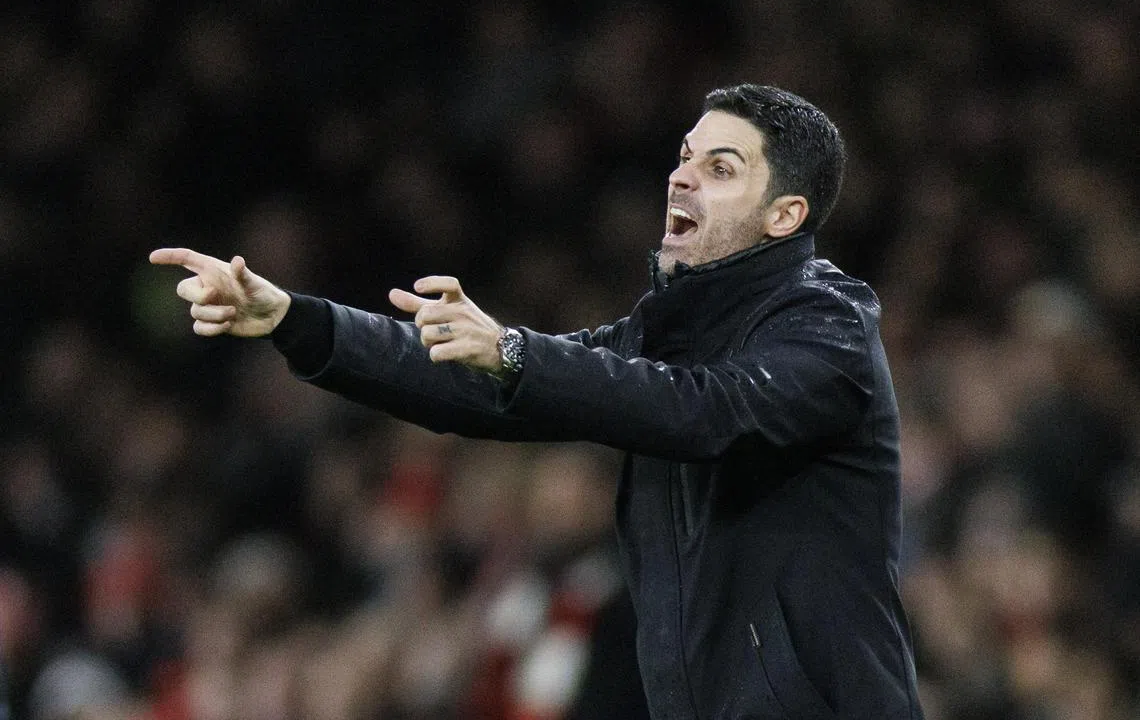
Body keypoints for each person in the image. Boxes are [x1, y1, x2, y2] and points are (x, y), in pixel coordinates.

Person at [151, 84, 924, 719]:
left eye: (720, 168)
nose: (681, 178)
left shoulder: (828, 322)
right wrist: (296, 319)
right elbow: (474, 382)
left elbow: (709, 412)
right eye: (685, 157)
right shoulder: (658, 340)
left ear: (785, 215)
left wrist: (516, 353)